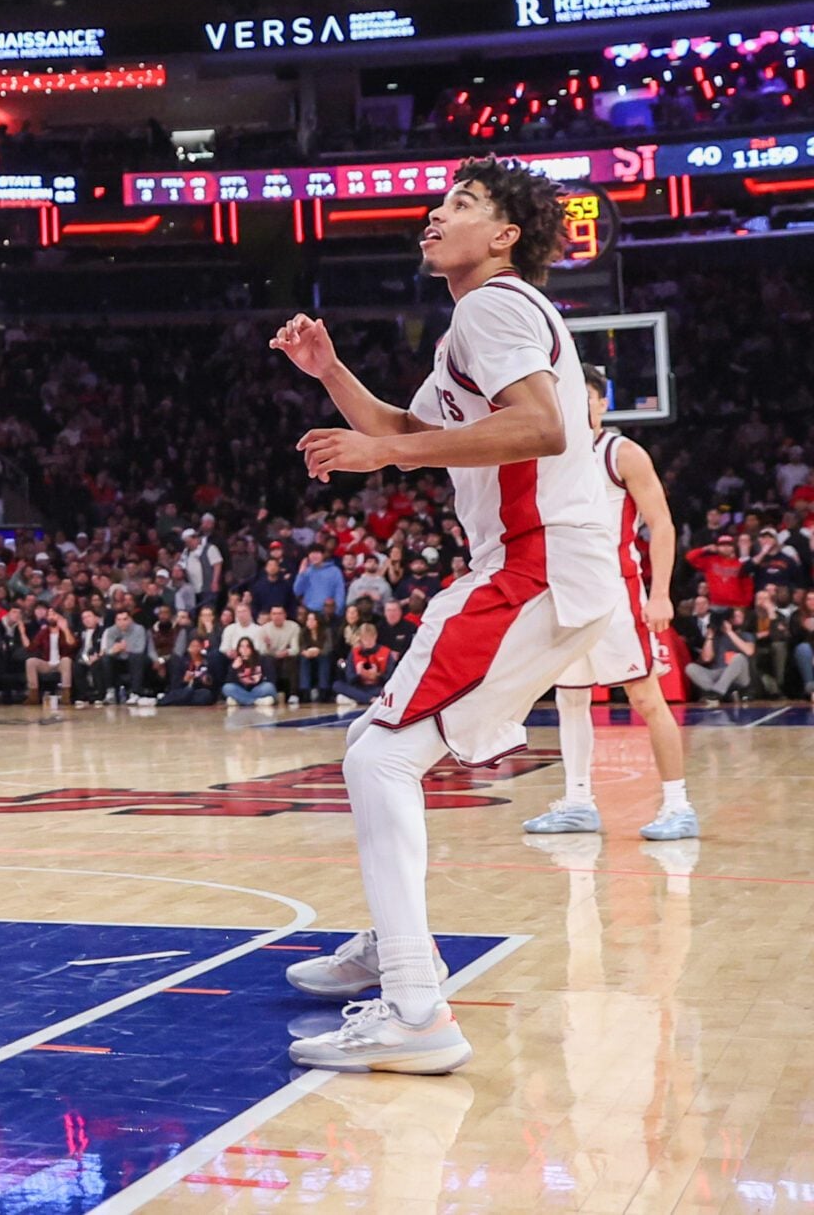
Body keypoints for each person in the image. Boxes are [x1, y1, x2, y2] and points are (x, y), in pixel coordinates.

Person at [271, 157, 629, 1075]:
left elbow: (543, 427)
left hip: (536, 559)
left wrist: (375, 454)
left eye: (461, 204)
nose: (436, 215)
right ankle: (402, 949)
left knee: (379, 754)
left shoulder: (494, 306)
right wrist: (331, 371)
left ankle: (416, 1003)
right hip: (546, 565)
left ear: (505, 234)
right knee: (379, 744)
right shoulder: (477, 326)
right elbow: (400, 430)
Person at [521, 369, 696, 842]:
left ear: (602, 405)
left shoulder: (621, 453)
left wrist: (660, 594)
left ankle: (679, 806)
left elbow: (661, 524)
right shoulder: (549, 455)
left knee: (644, 697)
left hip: (616, 594)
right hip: (565, 593)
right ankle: (578, 802)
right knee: (570, 698)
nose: (581, 405)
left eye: (589, 398)